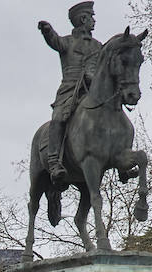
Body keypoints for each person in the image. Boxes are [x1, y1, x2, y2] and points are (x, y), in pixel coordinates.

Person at [36, 1, 103, 187]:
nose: (94, 20)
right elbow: (54, 41)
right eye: (91, 17)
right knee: (58, 118)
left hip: (92, 90)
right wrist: (47, 31)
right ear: (83, 19)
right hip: (70, 90)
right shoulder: (68, 42)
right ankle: (54, 161)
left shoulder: (98, 46)